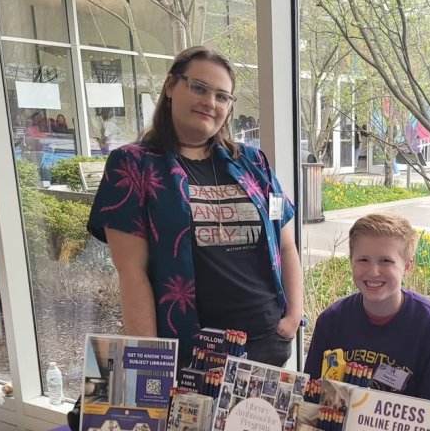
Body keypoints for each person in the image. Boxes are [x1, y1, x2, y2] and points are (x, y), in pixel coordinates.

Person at [87, 46, 303, 369]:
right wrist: (152, 362)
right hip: (193, 356)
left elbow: (286, 245)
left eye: (222, 96)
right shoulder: (133, 166)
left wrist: (293, 315)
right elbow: (132, 274)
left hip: (266, 344)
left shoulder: (252, 163)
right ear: (171, 86)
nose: (209, 102)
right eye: (199, 88)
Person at [304, 213, 430, 404]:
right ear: (351, 261)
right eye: (363, 260)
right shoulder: (331, 321)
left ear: (408, 265)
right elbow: (310, 400)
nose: (373, 271)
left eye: (386, 261)